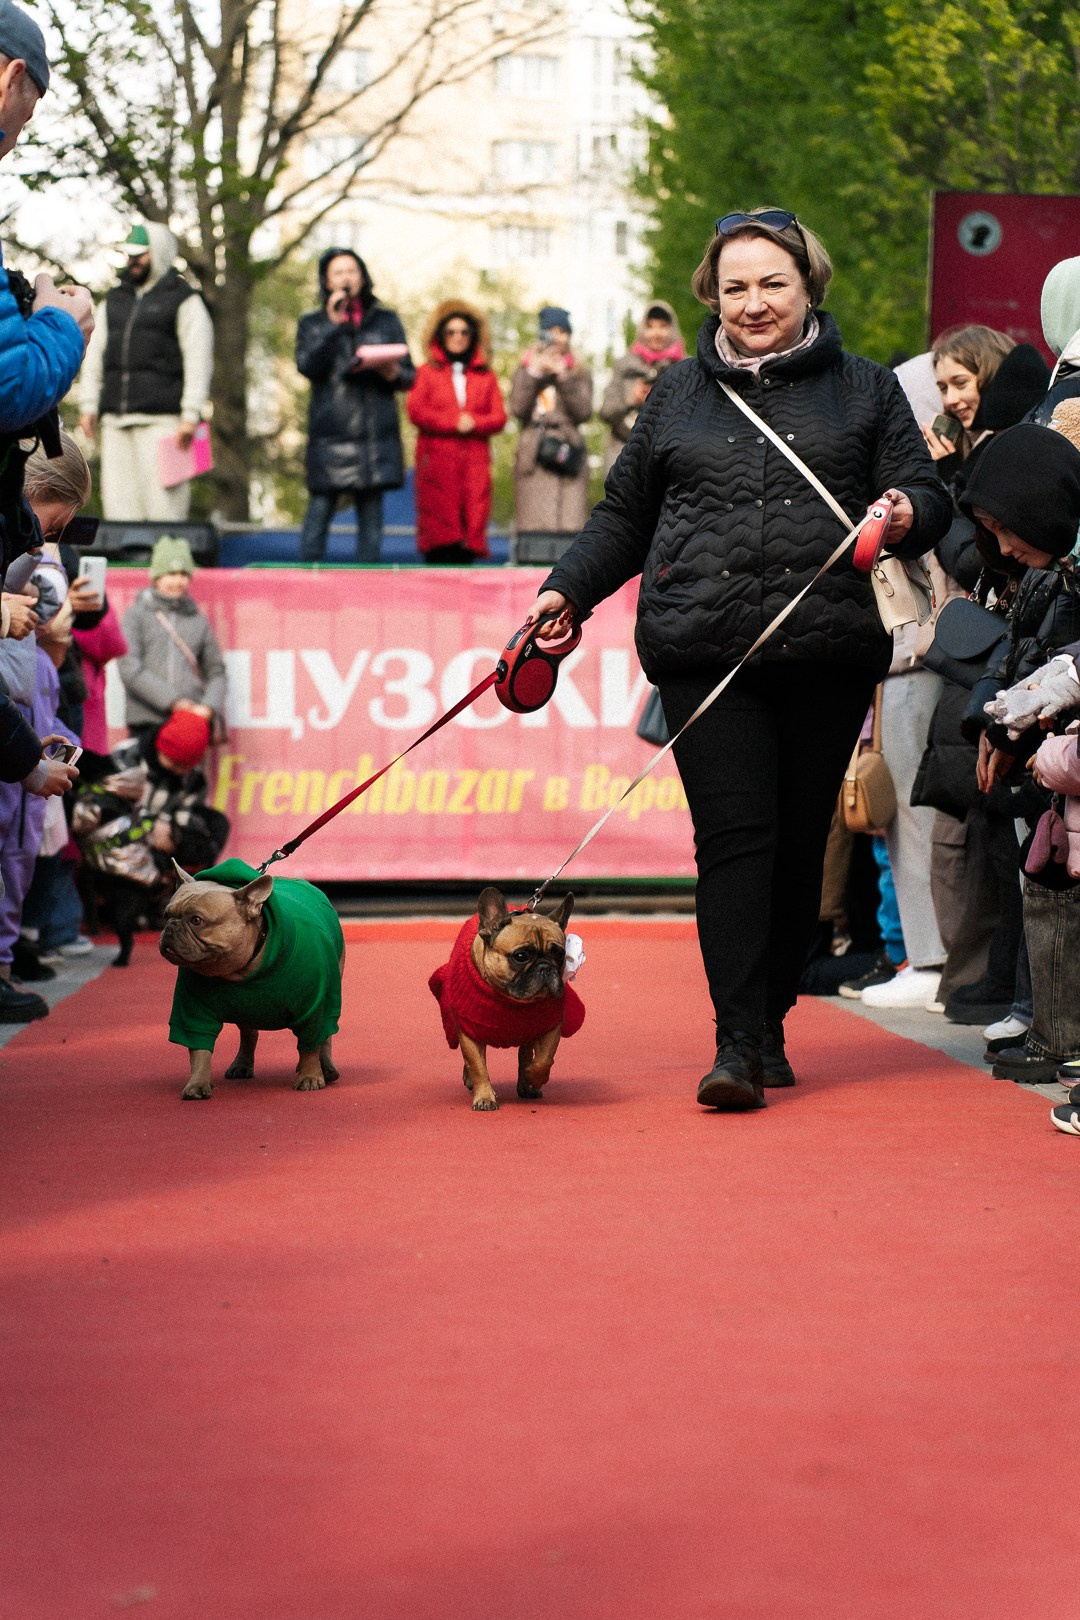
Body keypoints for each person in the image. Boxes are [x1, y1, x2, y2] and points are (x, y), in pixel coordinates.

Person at [528, 206, 951, 1110]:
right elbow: (622, 517)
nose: (753, 304)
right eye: (734, 288)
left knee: (800, 844)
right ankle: (737, 1041)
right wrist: (566, 590)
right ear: (709, 296)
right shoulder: (676, 393)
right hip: (703, 649)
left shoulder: (867, 390)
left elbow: (925, 490)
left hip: (827, 649)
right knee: (734, 839)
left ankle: (771, 1015)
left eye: (772, 284)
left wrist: (909, 512)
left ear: (809, 288)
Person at [77, 222, 214, 523]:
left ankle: (166, 569)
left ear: (160, 253)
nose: (133, 260)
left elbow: (198, 359)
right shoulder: (114, 300)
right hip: (115, 421)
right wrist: (89, 405)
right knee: (118, 509)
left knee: (165, 510)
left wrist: (190, 414)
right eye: (130, 254)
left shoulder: (185, 300)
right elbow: (95, 355)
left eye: (141, 254)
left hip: (166, 423)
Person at [295, 248, 415, 563]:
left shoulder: (386, 320)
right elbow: (307, 365)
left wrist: (392, 373)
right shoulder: (313, 323)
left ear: (363, 276)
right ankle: (304, 589)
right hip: (330, 437)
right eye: (338, 272)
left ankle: (365, 596)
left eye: (352, 271)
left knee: (372, 526)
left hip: (375, 438)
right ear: (326, 280)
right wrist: (333, 327)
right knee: (317, 518)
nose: (346, 278)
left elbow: (409, 376)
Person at [407, 300, 507, 563]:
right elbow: (416, 411)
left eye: (464, 332)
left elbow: (498, 417)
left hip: (474, 465)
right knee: (439, 531)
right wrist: (454, 422)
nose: (458, 338)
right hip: (437, 466)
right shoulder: (426, 373)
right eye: (451, 332)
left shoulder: (486, 377)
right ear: (440, 336)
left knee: (470, 530)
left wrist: (473, 422)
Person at [118, 536, 226, 748]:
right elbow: (129, 668)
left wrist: (209, 707)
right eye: (171, 573)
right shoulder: (136, 615)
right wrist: (174, 702)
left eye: (184, 574)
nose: (178, 581)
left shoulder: (198, 620)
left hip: (189, 723)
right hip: (145, 721)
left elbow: (217, 672)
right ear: (156, 577)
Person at [509, 307, 593, 559]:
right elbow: (517, 408)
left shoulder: (579, 371)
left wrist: (563, 377)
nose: (556, 338)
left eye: (562, 332)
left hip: (568, 455)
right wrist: (535, 374)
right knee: (534, 535)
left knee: (569, 540)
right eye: (551, 331)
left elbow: (584, 412)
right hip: (534, 454)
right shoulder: (525, 369)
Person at [599, 301, 684, 474]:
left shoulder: (685, 368)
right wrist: (631, 398)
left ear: (672, 329)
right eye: (650, 326)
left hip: (668, 462)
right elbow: (605, 411)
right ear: (642, 330)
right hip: (624, 458)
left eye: (663, 326)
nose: (656, 333)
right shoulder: (624, 365)